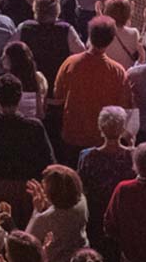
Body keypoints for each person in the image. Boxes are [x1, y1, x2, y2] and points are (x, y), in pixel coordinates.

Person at [52, 16, 133, 157]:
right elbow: (124, 106)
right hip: (102, 139)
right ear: (110, 40)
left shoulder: (70, 63)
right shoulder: (118, 71)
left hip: (72, 135)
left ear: (90, 35)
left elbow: (58, 94)